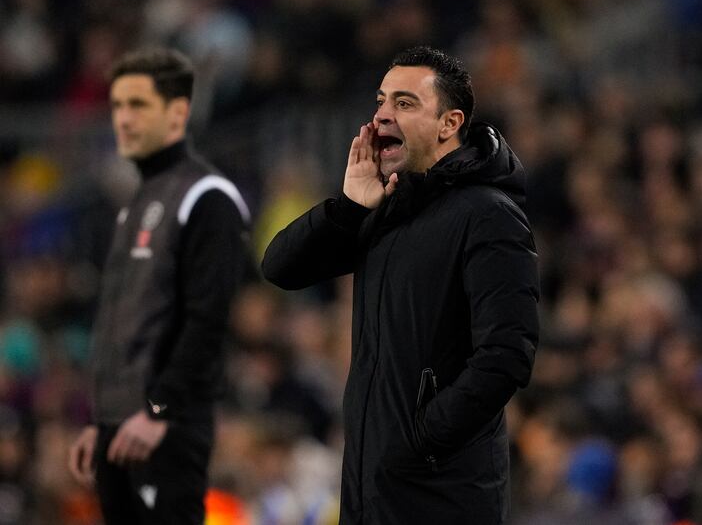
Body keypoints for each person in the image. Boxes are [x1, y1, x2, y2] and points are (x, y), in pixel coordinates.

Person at [262, 46, 540, 524]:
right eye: (381, 100)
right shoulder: (386, 209)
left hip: (440, 495)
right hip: (372, 491)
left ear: (449, 123)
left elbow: (507, 353)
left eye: (405, 103)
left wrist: (421, 439)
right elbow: (280, 267)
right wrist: (349, 207)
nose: (381, 116)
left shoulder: (489, 214)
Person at [67, 48, 251, 524]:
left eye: (138, 105)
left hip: (163, 424)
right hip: (120, 424)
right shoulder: (134, 205)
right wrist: (100, 420)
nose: (123, 119)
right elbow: (121, 324)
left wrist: (158, 410)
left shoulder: (206, 197)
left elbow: (208, 318)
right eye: (117, 106)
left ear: (178, 112)